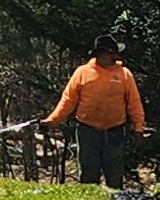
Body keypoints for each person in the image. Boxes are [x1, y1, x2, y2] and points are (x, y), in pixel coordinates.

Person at [49, 34, 146, 187]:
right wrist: (53, 121)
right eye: (111, 53)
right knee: (88, 175)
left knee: (114, 176)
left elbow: (134, 104)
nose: (114, 56)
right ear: (101, 54)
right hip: (88, 131)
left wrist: (139, 127)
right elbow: (68, 100)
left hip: (115, 132)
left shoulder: (124, 75)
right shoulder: (83, 73)